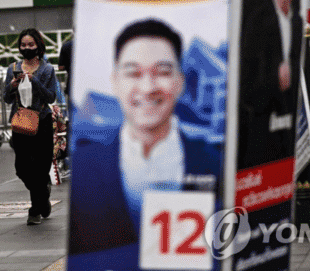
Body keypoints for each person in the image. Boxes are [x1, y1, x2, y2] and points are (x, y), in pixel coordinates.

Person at [69, 19, 220, 257]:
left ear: (180, 82)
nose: (148, 87)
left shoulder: (215, 165)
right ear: (115, 82)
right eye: (133, 73)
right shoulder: (83, 167)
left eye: (162, 72)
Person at [238, 0, 302, 170]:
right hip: (259, 147)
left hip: (288, 146)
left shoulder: (297, 23)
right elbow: (245, 89)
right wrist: (275, 80)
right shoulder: (257, 22)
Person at [3, 28, 58, 226]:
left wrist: (35, 82)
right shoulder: (13, 68)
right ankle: (43, 193)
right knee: (22, 168)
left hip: (42, 122)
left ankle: (36, 210)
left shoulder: (47, 70)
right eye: (23, 45)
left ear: (38, 46)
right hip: (20, 123)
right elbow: (6, 98)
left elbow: (51, 97)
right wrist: (12, 85)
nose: (26, 48)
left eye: (30, 45)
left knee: (41, 168)